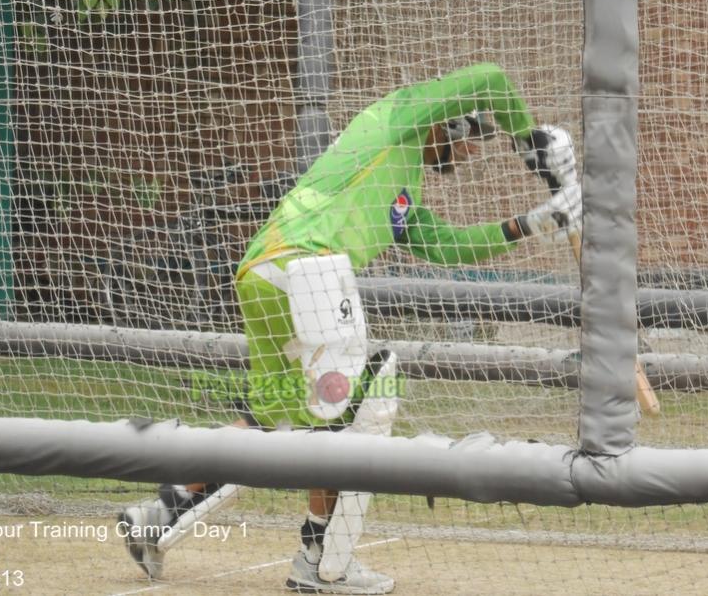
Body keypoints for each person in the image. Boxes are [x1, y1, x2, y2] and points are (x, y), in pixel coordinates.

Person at [117, 63, 581, 594]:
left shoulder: (402, 195)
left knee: (274, 419)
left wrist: (533, 222)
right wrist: (531, 139)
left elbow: (450, 247)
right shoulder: (397, 117)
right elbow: (495, 78)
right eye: (475, 132)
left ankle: (159, 510)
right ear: (450, 122)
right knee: (366, 402)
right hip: (309, 269)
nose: (474, 149)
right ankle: (321, 564)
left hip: (262, 272)